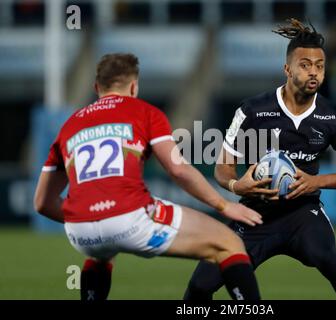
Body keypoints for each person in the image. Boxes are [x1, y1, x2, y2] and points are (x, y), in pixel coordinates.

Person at [33, 53, 263, 301]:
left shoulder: (69, 126)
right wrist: (223, 204)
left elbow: (42, 203)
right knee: (228, 243)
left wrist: (86, 217)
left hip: (80, 233)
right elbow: (178, 169)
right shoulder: (144, 111)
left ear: (96, 87)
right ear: (134, 86)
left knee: (101, 254)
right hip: (129, 218)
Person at [184, 19, 336, 300]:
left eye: (320, 66)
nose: (314, 72)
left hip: (303, 214)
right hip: (254, 214)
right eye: (305, 65)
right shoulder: (252, 110)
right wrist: (237, 186)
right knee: (202, 284)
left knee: (326, 256)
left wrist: (317, 182)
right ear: (287, 69)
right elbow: (222, 168)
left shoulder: (330, 115)